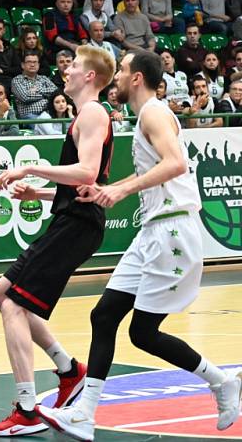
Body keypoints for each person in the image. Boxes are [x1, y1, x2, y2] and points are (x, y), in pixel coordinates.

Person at [36, 50, 242, 441]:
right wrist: (107, 189)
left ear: (136, 78)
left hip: (172, 232)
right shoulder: (145, 115)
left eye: (123, 70)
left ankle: (221, 382)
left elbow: (176, 163)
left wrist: (122, 188)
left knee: (143, 334)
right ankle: (85, 413)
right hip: (152, 231)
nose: (116, 77)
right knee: (104, 315)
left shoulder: (153, 112)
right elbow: (154, 168)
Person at [0, 45, 116, 437]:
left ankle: (27, 410)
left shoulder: (93, 112)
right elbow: (84, 187)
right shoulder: (84, 116)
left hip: (78, 226)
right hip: (72, 217)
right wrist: (39, 194)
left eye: (74, 65)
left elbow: (89, 172)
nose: (67, 69)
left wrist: (30, 167)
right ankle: (68, 369)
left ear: (90, 76)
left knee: (13, 305)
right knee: (0, 293)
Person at [12, 50, 58, 120]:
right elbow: (25, 97)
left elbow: (56, 92)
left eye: (35, 62)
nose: (32, 65)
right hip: (30, 116)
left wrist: (38, 90)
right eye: (29, 62)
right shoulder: (17, 80)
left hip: (48, 113)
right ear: (22, 65)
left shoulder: (44, 78)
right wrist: (46, 95)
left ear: (39, 65)